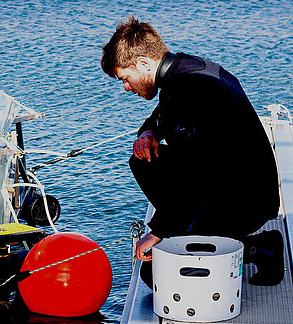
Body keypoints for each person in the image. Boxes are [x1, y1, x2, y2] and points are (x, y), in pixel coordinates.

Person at [101, 16, 283, 286]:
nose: (127, 88)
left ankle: (260, 248)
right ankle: (193, 229)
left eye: (126, 79)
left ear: (143, 63)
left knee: (156, 273)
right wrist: (149, 132)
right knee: (142, 161)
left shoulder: (191, 90)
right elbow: (163, 113)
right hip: (242, 184)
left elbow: (199, 173)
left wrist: (159, 231)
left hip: (245, 201)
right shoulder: (186, 70)